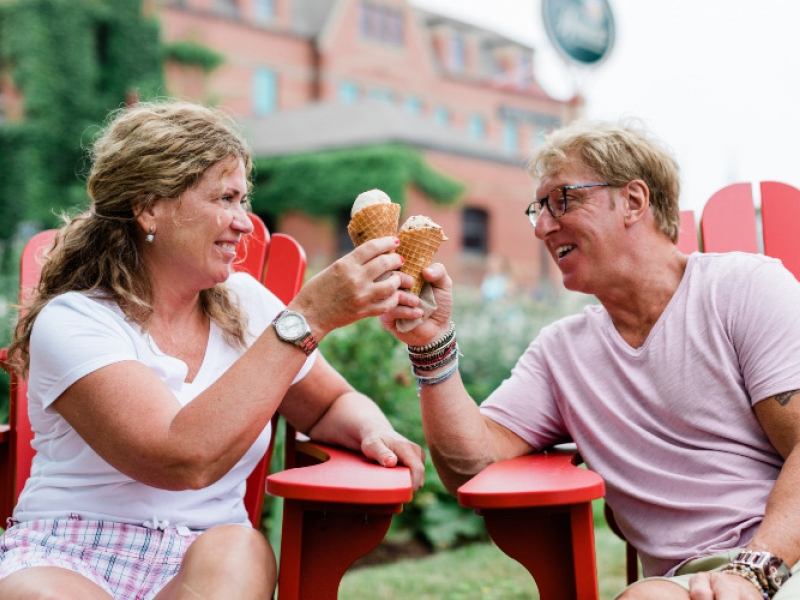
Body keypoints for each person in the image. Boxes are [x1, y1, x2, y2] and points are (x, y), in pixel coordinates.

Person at [0, 100, 425, 600]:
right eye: (225, 198)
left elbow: (330, 404)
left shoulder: (249, 308)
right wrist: (307, 317)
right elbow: (180, 459)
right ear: (149, 206)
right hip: (69, 552)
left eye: (244, 200)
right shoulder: (76, 320)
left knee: (239, 550)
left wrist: (374, 430)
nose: (244, 222)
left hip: (206, 555)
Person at [384, 119, 800, 599]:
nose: (541, 226)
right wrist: (429, 344)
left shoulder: (745, 290)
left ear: (633, 201)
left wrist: (753, 572)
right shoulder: (562, 353)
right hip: (687, 584)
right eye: (537, 209)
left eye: (562, 199)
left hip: (782, 557)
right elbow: (470, 464)